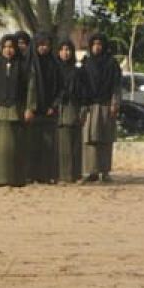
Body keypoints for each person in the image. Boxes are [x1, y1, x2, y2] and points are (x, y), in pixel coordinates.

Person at [0, 34, 34, 187]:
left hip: (16, 111)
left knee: (14, 146)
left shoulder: (24, 67)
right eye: (5, 47)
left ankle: (15, 178)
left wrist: (29, 108)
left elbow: (31, 88)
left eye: (11, 47)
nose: (8, 50)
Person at [81, 33, 121, 183]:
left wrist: (114, 103)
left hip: (106, 105)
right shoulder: (86, 63)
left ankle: (104, 172)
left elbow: (116, 85)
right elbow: (82, 85)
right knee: (90, 139)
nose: (97, 47)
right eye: (94, 44)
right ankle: (92, 171)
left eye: (99, 44)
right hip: (90, 106)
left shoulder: (111, 64)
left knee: (105, 139)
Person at [25, 33, 62, 184]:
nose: (43, 48)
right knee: (32, 144)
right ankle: (31, 175)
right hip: (32, 111)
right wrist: (28, 107)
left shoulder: (55, 64)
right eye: (40, 44)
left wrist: (53, 106)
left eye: (46, 45)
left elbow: (61, 88)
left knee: (48, 145)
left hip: (49, 111)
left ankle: (47, 175)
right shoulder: (28, 64)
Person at [55, 39, 84, 183]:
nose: (65, 53)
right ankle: (60, 174)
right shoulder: (53, 69)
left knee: (73, 142)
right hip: (56, 108)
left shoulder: (77, 71)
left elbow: (81, 91)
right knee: (60, 143)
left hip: (72, 108)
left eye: (68, 50)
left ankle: (73, 174)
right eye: (62, 50)